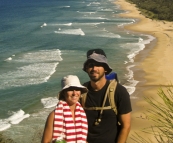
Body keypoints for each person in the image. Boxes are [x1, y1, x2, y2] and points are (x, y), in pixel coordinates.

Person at [82, 49, 132, 143]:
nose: (94, 68)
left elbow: (126, 126)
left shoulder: (119, 91)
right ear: (87, 69)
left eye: (98, 64)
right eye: (91, 65)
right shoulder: (81, 92)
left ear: (105, 68)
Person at [41, 75, 88, 143]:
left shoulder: (82, 113)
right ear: (64, 93)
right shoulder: (53, 115)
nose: (74, 93)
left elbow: (82, 139)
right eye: (70, 89)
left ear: (80, 92)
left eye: (77, 89)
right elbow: (45, 141)